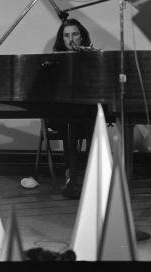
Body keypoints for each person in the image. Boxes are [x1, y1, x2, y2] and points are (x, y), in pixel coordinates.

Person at [48, 19, 96, 198]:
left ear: (82, 36)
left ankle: (90, 175)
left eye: (74, 34)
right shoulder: (55, 58)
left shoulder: (93, 57)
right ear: (62, 39)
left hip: (86, 111)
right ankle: (72, 176)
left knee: (91, 118)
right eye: (66, 35)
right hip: (61, 112)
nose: (71, 39)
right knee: (71, 121)